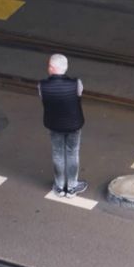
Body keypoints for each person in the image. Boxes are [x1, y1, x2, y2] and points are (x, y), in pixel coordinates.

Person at [39, 54, 87, 198]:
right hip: (74, 124)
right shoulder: (76, 83)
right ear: (65, 68)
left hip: (54, 124)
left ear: (52, 68)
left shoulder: (42, 85)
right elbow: (79, 95)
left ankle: (59, 186)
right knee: (73, 153)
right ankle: (72, 187)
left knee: (58, 153)